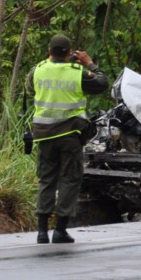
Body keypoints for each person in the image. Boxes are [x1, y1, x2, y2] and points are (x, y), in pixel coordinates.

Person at [28, 34, 109, 243]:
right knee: (69, 179)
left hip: (44, 135)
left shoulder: (38, 69)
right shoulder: (77, 72)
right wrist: (89, 62)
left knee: (46, 180)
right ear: (69, 52)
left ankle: (42, 231)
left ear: (49, 50)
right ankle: (60, 230)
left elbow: (30, 88)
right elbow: (101, 83)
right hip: (69, 135)